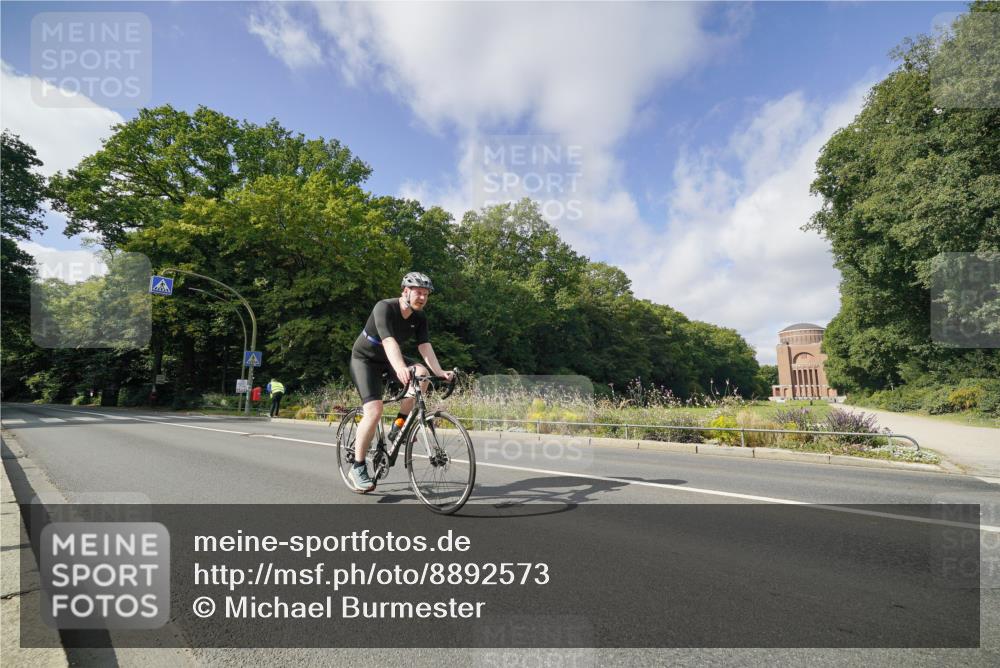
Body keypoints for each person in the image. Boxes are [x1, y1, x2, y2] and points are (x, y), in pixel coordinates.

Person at [347, 272, 455, 492]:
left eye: (426, 294)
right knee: (374, 411)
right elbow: (388, 341)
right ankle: (357, 467)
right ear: (405, 291)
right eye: (418, 292)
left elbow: (425, 347)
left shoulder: (419, 317)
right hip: (365, 360)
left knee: (422, 375)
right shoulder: (384, 307)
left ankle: (398, 427)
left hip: (390, 359)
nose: (423, 298)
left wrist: (440, 371)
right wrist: (400, 368)